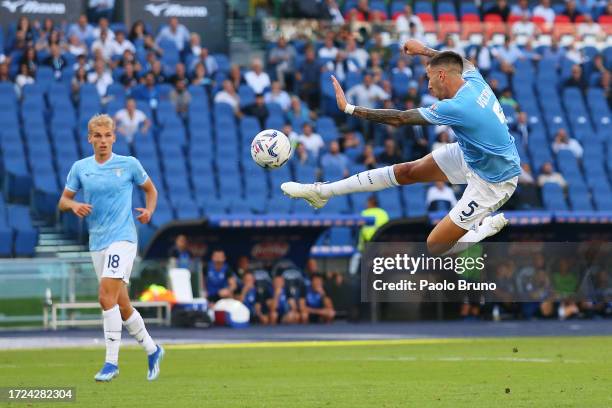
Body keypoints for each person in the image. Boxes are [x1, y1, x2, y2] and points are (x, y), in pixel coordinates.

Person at [282, 39, 521, 256]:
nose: (427, 87)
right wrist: (424, 51)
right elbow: (459, 61)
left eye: (428, 78)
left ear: (441, 76)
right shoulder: (472, 78)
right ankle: (322, 192)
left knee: (435, 246)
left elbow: (400, 119)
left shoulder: (458, 106)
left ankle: (483, 230)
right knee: (406, 171)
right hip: (473, 154)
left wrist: (350, 109)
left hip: (495, 181)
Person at [58, 114, 162, 382]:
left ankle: (111, 363)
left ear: (114, 137)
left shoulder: (129, 164)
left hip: (124, 238)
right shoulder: (81, 168)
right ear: (90, 138)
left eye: (107, 136)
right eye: (98, 136)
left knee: (105, 297)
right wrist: (74, 205)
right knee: (122, 304)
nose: (103, 141)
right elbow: (63, 201)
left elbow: (151, 190)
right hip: (98, 241)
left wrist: (149, 211)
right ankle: (152, 349)